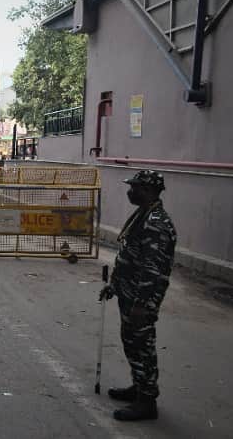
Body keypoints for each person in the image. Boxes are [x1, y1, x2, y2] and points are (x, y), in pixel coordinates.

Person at [100, 170, 176, 421]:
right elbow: (131, 257)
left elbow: (152, 269)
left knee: (142, 345)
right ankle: (139, 386)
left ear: (149, 191)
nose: (130, 191)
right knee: (131, 343)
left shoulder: (156, 223)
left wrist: (142, 304)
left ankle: (147, 401)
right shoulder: (143, 215)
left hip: (141, 298)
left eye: (135, 187)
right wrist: (114, 285)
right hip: (129, 291)